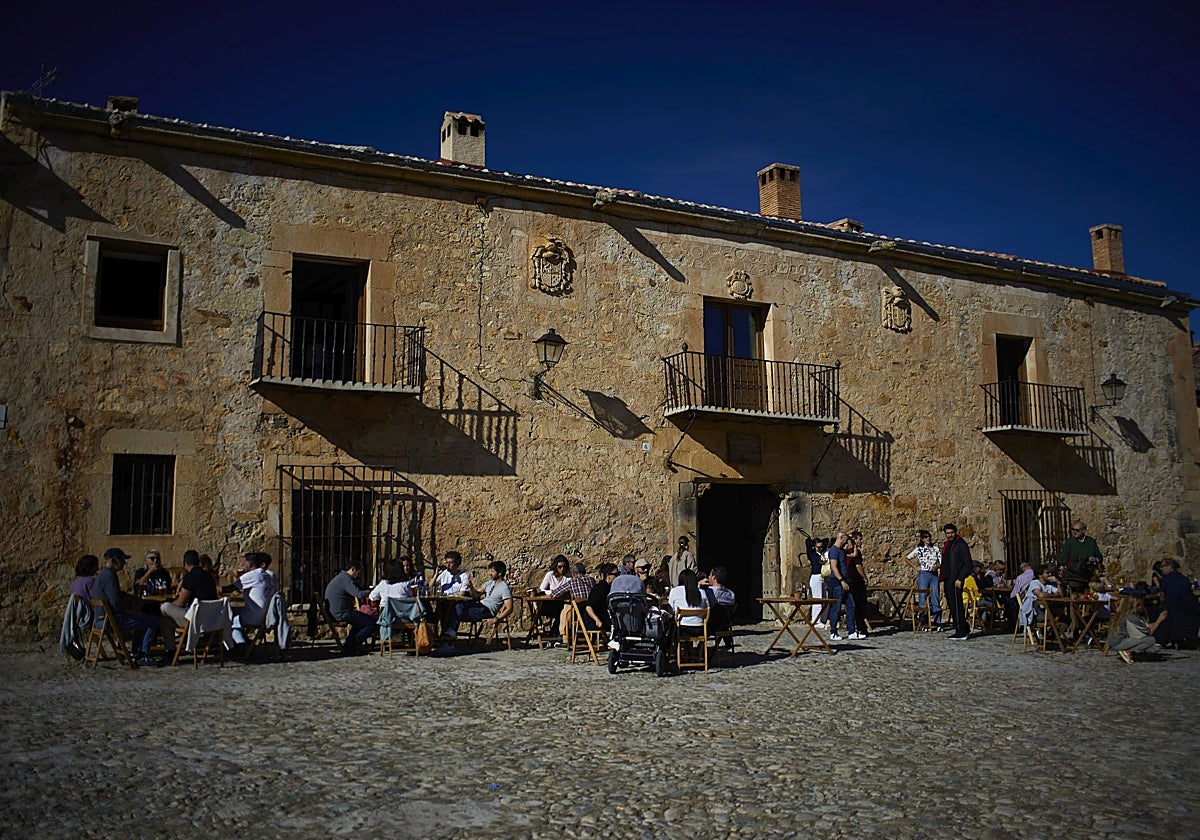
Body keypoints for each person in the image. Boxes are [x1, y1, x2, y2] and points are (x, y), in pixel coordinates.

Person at [94, 547, 162, 667]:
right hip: (109, 620)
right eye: (122, 560)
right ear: (114, 561)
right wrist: (130, 611)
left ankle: (136, 652)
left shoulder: (102, 575)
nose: (124, 563)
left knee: (141, 619)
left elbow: (114, 595)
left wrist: (127, 597)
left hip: (99, 619)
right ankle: (142, 654)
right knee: (151, 620)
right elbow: (116, 602)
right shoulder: (110, 576)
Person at [436, 560, 513, 654]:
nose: (490, 574)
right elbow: (476, 594)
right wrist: (471, 586)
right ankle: (449, 635)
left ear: (500, 573)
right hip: (479, 605)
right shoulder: (490, 583)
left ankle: (448, 639)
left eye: (492, 571)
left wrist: (496, 619)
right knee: (455, 605)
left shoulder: (504, 588)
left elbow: (509, 608)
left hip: (487, 610)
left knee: (455, 612)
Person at [158, 549, 219, 660]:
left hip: (196, 620)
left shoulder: (191, 577)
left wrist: (169, 604)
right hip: (212, 620)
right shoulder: (208, 576)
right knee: (165, 621)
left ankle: (170, 651)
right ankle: (172, 650)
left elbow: (180, 602)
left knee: (164, 608)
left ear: (185, 563)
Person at [225, 552, 279, 645]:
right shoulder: (270, 575)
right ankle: (245, 641)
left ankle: (241, 645)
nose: (242, 565)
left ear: (249, 564)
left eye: (244, 563)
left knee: (227, 619)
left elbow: (228, 589)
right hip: (269, 616)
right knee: (234, 613)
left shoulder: (252, 575)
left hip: (255, 616)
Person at [324, 560, 374, 654]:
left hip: (337, 611)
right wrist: (372, 592)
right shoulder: (346, 579)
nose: (359, 575)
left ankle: (349, 646)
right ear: (353, 569)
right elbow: (358, 594)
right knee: (370, 622)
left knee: (359, 622)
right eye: (359, 572)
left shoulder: (341, 578)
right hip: (342, 613)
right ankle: (353, 645)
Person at [1149, 559, 1200, 646]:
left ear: (1170, 567)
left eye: (1163, 566)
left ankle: (1159, 637)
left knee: (1154, 611)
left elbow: (1162, 597)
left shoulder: (1165, 580)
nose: (1161, 569)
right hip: (1189, 610)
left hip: (1173, 610)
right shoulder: (1184, 579)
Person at [1108, 595, 1164, 664]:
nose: (1143, 607)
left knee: (1155, 648)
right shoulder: (1131, 617)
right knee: (1151, 640)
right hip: (1120, 643)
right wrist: (1159, 621)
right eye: (1141, 605)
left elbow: (1145, 626)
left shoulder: (1123, 614)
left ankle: (1132, 652)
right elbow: (1147, 632)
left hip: (1114, 642)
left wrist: (1154, 623)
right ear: (1135, 606)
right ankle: (1128, 651)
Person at [548, 562, 595, 644]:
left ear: (574, 573)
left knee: (564, 612)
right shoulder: (591, 581)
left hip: (579, 612)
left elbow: (554, 594)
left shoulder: (572, 582)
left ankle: (563, 638)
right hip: (592, 611)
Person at [826, 533, 861, 641]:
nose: (846, 543)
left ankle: (852, 631)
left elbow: (854, 554)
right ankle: (833, 632)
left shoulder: (842, 551)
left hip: (846, 582)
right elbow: (834, 567)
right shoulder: (834, 551)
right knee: (836, 608)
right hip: (837, 583)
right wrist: (841, 580)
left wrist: (852, 541)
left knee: (851, 605)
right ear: (840, 538)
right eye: (845, 540)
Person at [904, 530, 942, 631]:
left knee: (935, 595)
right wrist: (916, 567)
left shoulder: (935, 549)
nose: (928, 539)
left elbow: (941, 562)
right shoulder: (919, 549)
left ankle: (937, 622)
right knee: (922, 597)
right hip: (924, 574)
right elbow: (907, 558)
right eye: (925, 537)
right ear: (922, 539)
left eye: (928, 537)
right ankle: (923, 622)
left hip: (933, 574)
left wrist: (936, 566)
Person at [941, 523, 973, 640]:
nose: (950, 535)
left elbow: (967, 563)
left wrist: (960, 578)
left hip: (956, 579)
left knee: (957, 604)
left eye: (951, 533)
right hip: (948, 578)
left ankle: (961, 630)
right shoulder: (948, 545)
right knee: (952, 604)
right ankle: (962, 627)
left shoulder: (960, 544)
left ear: (955, 532)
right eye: (947, 533)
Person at [1059, 520, 1102, 593]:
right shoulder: (1070, 542)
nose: (1074, 532)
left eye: (1077, 530)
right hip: (1074, 575)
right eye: (1073, 529)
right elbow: (1062, 559)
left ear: (1084, 531)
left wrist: (1094, 559)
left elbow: (1099, 558)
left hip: (1088, 573)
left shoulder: (1090, 541)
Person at [668, 568, 710, 637]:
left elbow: (670, 611)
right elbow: (706, 609)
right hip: (699, 628)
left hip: (682, 629)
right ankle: (700, 647)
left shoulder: (675, 591)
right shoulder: (702, 592)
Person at [534, 555, 571, 627]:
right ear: (555, 566)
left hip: (561, 602)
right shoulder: (550, 575)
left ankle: (555, 632)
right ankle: (555, 632)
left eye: (564, 567)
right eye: (560, 567)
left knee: (563, 610)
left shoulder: (568, 576)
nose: (562, 569)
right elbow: (541, 589)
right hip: (549, 602)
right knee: (559, 611)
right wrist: (551, 592)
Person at [1019, 566, 1061, 630]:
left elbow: (1060, 594)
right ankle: (1049, 635)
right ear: (1040, 575)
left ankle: (1052, 636)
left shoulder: (1049, 585)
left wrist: (1058, 583)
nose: (1049, 574)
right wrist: (1055, 595)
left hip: (1047, 610)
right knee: (1056, 618)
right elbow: (1041, 595)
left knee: (1065, 620)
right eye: (1047, 573)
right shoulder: (1034, 583)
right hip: (1035, 612)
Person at [846, 531, 870, 636]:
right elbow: (858, 566)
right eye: (859, 539)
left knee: (855, 605)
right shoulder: (855, 552)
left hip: (851, 580)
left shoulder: (846, 551)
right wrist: (864, 577)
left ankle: (858, 627)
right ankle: (861, 628)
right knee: (860, 605)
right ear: (855, 540)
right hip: (856, 580)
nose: (861, 541)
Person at [584, 563, 619, 631]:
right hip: (596, 621)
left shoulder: (610, 588)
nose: (617, 577)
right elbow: (588, 607)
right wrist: (597, 620)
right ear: (608, 575)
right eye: (615, 575)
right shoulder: (600, 589)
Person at [805, 536, 829, 628]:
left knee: (825, 599)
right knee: (818, 599)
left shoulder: (823, 554)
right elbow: (807, 543)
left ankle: (823, 619)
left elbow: (826, 541)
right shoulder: (812, 554)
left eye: (821, 547)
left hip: (823, 577)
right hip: (816, 577)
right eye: (818, 547)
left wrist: (820, 542)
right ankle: (816, 620)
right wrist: (811, 541)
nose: (820, 548)